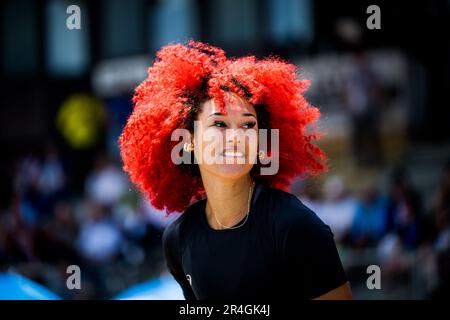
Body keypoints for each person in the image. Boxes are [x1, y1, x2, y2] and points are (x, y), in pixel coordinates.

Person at [118, 41, 352, 300]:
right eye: (219, 124)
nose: (235, 138)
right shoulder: (177, 239)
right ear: (188, 141)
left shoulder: (295, 226)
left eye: (247, 126)